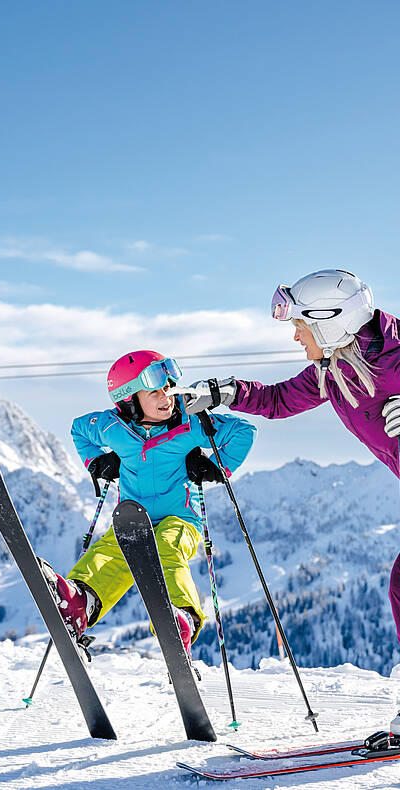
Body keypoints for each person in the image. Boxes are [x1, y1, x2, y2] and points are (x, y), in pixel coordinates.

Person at [174, 268, 400, 725]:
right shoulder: (335, 370)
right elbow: (278, 400)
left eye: (300, 325)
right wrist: (224, 392)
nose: (296, 336)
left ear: (329, 322)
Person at [43, 349, 256, 657]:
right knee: (109, 550)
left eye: (169, 387)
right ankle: (80, 604)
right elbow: (79, 429)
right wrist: (97, 461)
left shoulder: (191, 420)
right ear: (129, 399)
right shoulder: (111, 427)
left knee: (167, 549)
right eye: (154, 391)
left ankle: (181, 617)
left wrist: (216, 465)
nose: (166, 396)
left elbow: (242, 431)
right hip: (133, 519)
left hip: (181, 520)